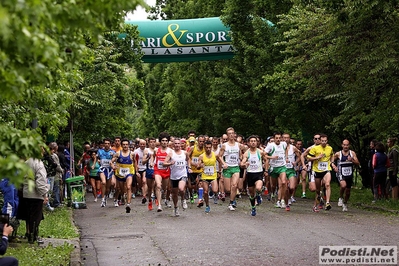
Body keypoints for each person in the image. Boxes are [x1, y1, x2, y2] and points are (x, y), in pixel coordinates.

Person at [17, 155, 49, 244]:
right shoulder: (38, 164)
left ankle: (29, 233)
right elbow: (41, 181)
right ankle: (33, 236)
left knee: (29, 215)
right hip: (36, 194)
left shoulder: (26, 163)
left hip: (26, 193)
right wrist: (44, 194)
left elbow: (20, 180)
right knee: (36, 217)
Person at [218, 127, 246, 211]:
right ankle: (232, 197)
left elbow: (247, 152)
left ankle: (231, 202)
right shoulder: (224, 145)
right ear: (227, 135)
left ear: (234, 134)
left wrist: (243, 160)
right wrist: (223, 163)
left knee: (234, 185)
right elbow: (219, 156)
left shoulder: (239, 145)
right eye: (229, 133)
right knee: (228, 189)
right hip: (227, 168)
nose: (231, 135)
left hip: (236, 168)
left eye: (232, 133)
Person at [162, 139, 190, 216]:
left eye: (178, 143)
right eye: (175, 144)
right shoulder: (171, 154)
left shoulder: (185, 153)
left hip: (183, 174)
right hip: (174, 176)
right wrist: (170, 163)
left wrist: (189, 167)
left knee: (181, 188)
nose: (177, 145)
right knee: (174, 194)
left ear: (181, 145)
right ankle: (176, 207)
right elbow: (164, 163)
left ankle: (183, 199)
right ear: (173, 145)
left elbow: (188, 159)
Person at [307, 134, 334, 211]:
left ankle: (327, 203)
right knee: (317, 190)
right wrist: (317, 157)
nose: (324, 142)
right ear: (320, 141)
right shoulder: (315, 148)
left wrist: (332, 162)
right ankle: (319, 197)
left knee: (327, 184)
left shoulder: (330, 148)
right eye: (322, 141)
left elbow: (332, 155)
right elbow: (308, 158)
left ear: (327, 141)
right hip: (317, 171)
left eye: (325, 141)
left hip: (326, 169)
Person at [240, 136, 266, 216]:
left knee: (258, 188)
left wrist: (266, 168)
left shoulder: (260, 152)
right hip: (250, 174)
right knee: (251, 194)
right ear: (248, 143)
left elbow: (266, 159)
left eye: (254, 141)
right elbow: (242, 163)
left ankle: (258, 195)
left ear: (257, 142)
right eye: (251, 141)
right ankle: (253, 207)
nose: (253, 142)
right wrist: (244, 164)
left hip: (258, 173)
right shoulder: (247, 153)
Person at [332, 139, 360, 211]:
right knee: (343, 185)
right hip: (341, 173)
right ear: (342, 145)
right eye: (344, 145)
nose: (345, 146)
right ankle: (340, 197)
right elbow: (331, 160)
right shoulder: (338, 154)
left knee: (348, 191)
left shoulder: (352, 153)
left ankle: (345, 203)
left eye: (347, 145)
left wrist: (352, 160)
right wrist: (334, 166)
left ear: (349, 145)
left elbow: (357, 163)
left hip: (349, 174)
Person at [111, 138, 137, 213]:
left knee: (128, 187)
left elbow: (135, 161)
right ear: (122, 145)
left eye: (126, 144)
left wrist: (136, 170)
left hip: (129, 172)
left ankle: (128, 204)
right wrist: (112, 166)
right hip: (120, 174)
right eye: (124, 145)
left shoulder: (132, 154)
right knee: (121, 189)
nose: (125, 146)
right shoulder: (118, 153)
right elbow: (111, 161)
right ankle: (123, 196)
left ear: (128, 145)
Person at [264, 132, 289, 210]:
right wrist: (272, 157)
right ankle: (273, 193)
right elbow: (264, 154)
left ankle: (281, 200)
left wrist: (286, 157)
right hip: (273, 168)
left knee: (283, 182)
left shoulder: (283, 144)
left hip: (282, 166)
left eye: (279, 138)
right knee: (273, 185)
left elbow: (286, 149)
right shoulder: (271, 146)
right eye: (276, 138)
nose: (278, 139)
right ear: (274, 138)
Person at [197, 141, 221, 213]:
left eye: (209, 147)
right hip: (205, 176)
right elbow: (198, 166)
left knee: (215, 190)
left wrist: (219, 171)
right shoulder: (201, 156)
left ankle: (212, 191)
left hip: (213, 175)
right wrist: (200, 165)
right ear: (204, 148)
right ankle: (207, 205)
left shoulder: (215, 155)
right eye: (206, 147)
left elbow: (220, 161)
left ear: (211, 147)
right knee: (205, 192)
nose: (208, 149)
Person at [152, 132, 172, 212]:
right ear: (160, 141)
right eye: (163, 140)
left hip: (166, 172)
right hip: (158, 171)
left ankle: (165, 197)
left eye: (166, 141)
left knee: (165, 188)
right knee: (158, 185)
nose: (164, 142)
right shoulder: (156, 150)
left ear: (168, 142)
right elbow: (153, 157)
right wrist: (151, 162)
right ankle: (159, 205)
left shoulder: (170, 151)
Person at [97, 138, 116, 207]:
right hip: (102, 169)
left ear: (110, 144)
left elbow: (114, 159)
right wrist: (97, 161)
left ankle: (105, 197)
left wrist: (113, 165)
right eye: (105, 143)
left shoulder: (113, 152)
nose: (107, 145)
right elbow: (97, 157)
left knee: (108, 188)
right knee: (103, 182)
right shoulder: (100, 151)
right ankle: (102, 199)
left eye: (108, 143)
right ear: (103, 144)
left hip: (109, 170)